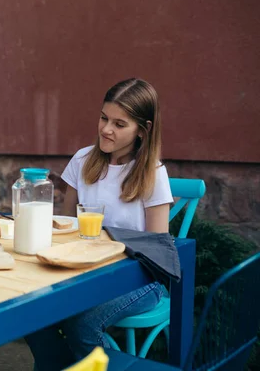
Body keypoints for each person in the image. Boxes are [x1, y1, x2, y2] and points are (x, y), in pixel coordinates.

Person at [25, 78, 174, 369]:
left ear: (142, 130)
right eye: (104, 118)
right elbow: (66, 228)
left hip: (141, 279)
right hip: (88, 273)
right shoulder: (83, 161)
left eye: (120, 124)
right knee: (30, 311)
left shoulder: (153, 174)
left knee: (84, 323)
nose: (106, 129)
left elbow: (158, 250)